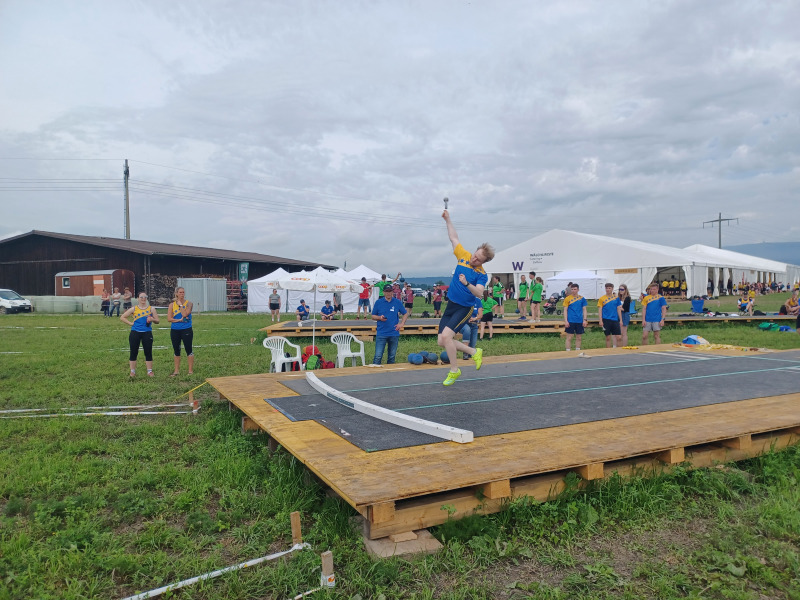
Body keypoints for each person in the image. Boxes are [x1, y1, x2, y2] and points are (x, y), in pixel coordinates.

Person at [437, 209, 493, 386]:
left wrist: (466, 283)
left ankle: (454, 370)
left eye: (478, 260)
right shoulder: (463, 255)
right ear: (474, 251)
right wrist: (448, 219)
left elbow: (479, 293)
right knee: (441, 341)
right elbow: (453, 238)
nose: (474, 259)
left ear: (483, 262)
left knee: (447, 337)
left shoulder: (481, 275)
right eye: (475, 255)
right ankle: (474, 352)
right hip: (451, 305)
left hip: (464, 308)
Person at [120, 292, 160, 378]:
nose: (143, 299)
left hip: (147, 333)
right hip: (135, 332)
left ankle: (149, 371)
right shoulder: (134, 309)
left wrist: (152, 319)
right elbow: (122, 317)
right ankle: (132, 372)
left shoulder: (151, 309)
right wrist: (130, 323)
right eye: (141, 297)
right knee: (133, 352)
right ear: (138, 298)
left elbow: (157, 321)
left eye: (145, 297)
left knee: (148, 352)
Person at [370, 284, 409, 365]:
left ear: (392, 292)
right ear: (383, 292)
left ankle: (390, 372)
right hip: (382, 333)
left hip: (394, 332)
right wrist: (379, 318)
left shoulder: (397, 302)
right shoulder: (378, 302)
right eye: (386, 291)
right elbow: (373, 316)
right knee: (378, 356)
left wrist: (401, 324)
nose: (388, 293)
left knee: (392, 356)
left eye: (390, 291)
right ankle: (375, 370)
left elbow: (405, 313)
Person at [167, 286, 194, 376]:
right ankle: (176, 371)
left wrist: (180, 305)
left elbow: (185, 314)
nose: (182, 294)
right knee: (176, 350)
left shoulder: (189, 303)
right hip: (175, 330)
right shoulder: (172, 305)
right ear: (176, 294)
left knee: (188, 349)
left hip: (186, 329)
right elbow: (169, 318)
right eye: (180, 292)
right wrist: (178, 320)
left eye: (183, 292)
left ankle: (190, 371)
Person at [563, 283, 587, 352]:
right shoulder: (567, 299)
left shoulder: (582, 299)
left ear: (578, 290)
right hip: (571, 320)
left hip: (579, 320)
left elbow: (584, 309)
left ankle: (577, 350)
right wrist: (566, 321)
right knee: (569, 337)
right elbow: (565, 310)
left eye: (575, 289)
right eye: (572, 289)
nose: (573, 291)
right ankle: (568, 351)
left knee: (579, 337)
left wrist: (585, 319)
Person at [597, 283, 623, 348]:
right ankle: (608, 351)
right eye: (606, 288)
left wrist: (621, 320)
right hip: (606, 320)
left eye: (609, 288)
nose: (608, 289)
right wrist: (600, 320)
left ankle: (619, 351)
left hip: (615, 319)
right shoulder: (602, 298)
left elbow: (618, 309)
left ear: (612, 289)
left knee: (619, 337)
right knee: (608, 337)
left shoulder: (616, 298)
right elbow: (600, 310)